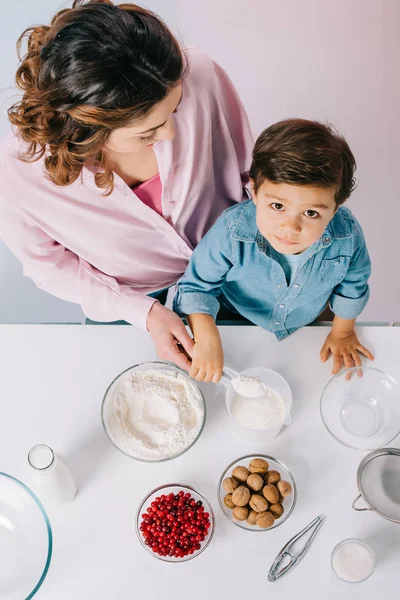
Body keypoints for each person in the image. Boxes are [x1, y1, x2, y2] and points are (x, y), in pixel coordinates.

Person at [0, 0, 253, 371]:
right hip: (130, 301)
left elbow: (250, 174)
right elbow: (48, 265)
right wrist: (142, 311)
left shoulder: (199, 73)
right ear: (89, 130)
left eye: (176, 109)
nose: (170, 133)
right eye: (149, 132)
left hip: (237, 267)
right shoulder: (17, 171)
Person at [174, 118, 374, 382]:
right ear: (255, 191)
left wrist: (342, 332)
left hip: (306, 318)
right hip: (234, 312)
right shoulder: (232, 232)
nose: (290, 227)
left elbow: (353, 285)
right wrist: (208, 338)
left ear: (335, 210)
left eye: (311, 213)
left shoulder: (347, 237)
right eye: (278, 206)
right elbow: (196, 287)